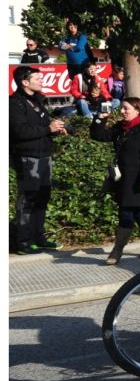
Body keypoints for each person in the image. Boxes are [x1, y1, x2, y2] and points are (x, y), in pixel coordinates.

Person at [89, 98, 140, 263]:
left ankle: (117, 251)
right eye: (121, 108)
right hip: (122, 179)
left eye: (125, 108)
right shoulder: (120, 128)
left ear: (138, 110)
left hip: (138, 180)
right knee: (135, 210)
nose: (122, 111)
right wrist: (101, 118)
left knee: (126, 212)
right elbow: (97, 135)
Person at [10, 67, 69, 254]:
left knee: (42, 199)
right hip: (28, 157)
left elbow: (43, 126)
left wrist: (57, 128)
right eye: (37, 77)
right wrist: (47, 129)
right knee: (28, 199)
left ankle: (39, 237)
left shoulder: (37, 100)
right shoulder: (14, 103)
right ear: (25, 82)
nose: (42, 80)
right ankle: (24, 242)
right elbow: (20, 132)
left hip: (45, 155)